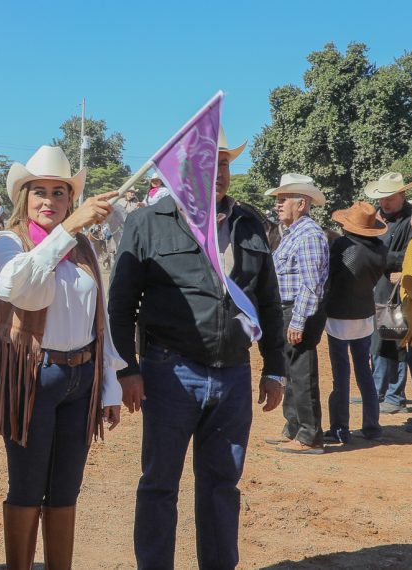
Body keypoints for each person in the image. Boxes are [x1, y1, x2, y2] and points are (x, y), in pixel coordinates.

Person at [109, 130, 286, 569]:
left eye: (224, 164)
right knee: (159, 485)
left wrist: (275, 368)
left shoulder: (249, 223)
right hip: (169, 372)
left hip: (233, 375)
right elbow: (121, 304)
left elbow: (268, 299)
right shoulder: (147, 222)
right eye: (210, 164)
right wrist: (127, 370)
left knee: (222, 485)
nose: (220, 174)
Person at [0, 145, 123, 570]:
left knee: (66, 490)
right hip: (32, 375)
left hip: (80, 379)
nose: (50, 201)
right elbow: (20, 288)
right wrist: (68, 231)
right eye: (40, 192)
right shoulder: (9, 242)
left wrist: (109, 383)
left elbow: (99, 317)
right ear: (24, 198)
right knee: (27, 487)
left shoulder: (83, 247)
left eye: (59, 193)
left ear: (70, 198)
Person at [263, 174, 329, 454]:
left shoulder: (309, 235)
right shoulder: (294, 233)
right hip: (289, 309)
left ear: (301, 204)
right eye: (278, 201)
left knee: (301, 373)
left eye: (283, 200)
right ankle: (294, 428)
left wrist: (299, 319)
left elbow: (311, 283)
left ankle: (309, 435)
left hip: (299, 310)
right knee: (291, 371)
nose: (278, 205)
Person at [324, 201, 386, 443]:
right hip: (365, 314)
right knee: (364, 373)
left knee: (341, 374)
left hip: (339, 315)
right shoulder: (380, 249)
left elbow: (329, 277)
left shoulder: (342, 246)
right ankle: (372, 427)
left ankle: (340, 428)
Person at [365, 172, 412, 414]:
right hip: (376, 287)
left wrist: (379, 259)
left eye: (389, 198)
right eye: (382, 198)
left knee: (394, 339)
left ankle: (394, 395)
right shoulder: (376, 218)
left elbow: (409, 255)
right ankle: (379, 391)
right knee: (378, 340)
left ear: (402, 195)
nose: (384, 203)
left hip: (396, 289)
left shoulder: (410, 220)